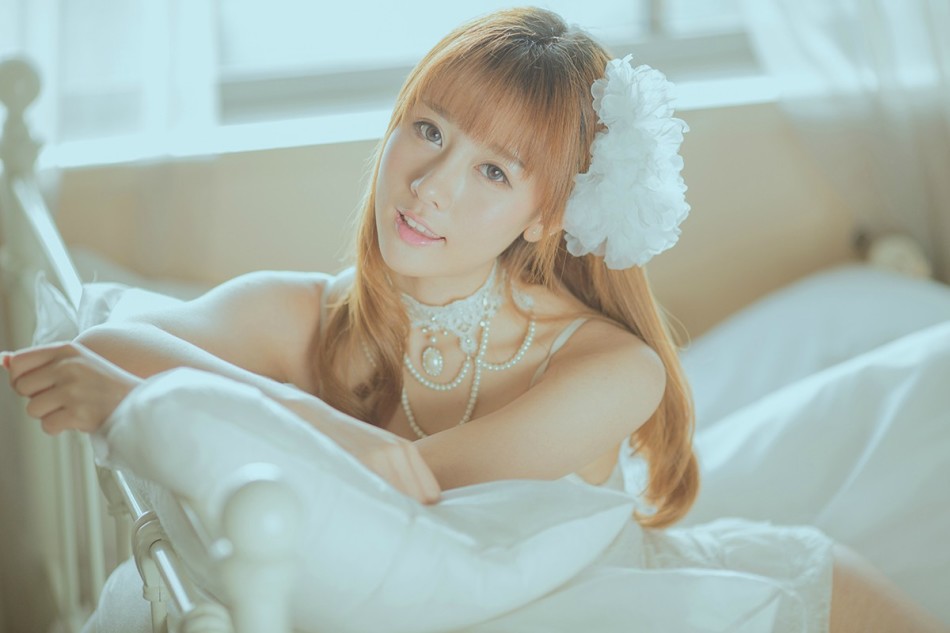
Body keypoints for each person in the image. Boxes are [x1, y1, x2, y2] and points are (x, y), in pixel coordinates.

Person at [2, 7, 947, 633]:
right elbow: (98, 345)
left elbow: (413, 496)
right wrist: (321, 421)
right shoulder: (308, 311)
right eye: (427, 130)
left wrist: (289, 419)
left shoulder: (614, 368)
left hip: (752, 601)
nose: (430, 185)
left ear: (545, 216)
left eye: (492, 171)